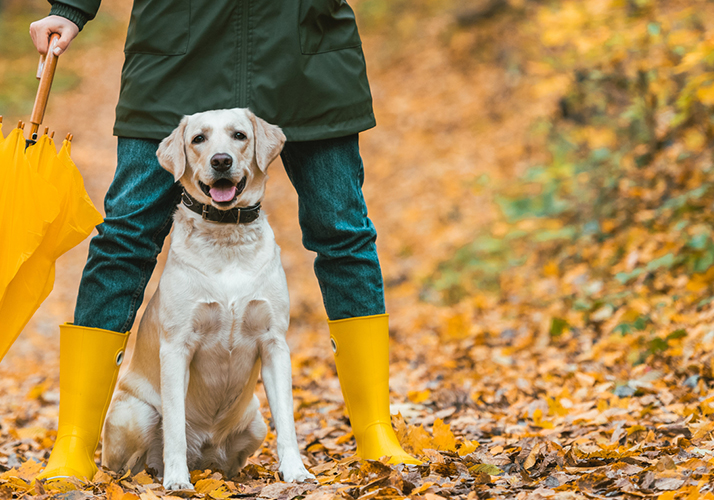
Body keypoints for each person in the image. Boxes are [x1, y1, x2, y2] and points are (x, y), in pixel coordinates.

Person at [28, 0, 420, 481]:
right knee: (124, 237)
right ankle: (74, 441)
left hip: (303, 52)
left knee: (344, 232)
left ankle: (376, 428)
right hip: (177, 48)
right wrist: (71, 7)